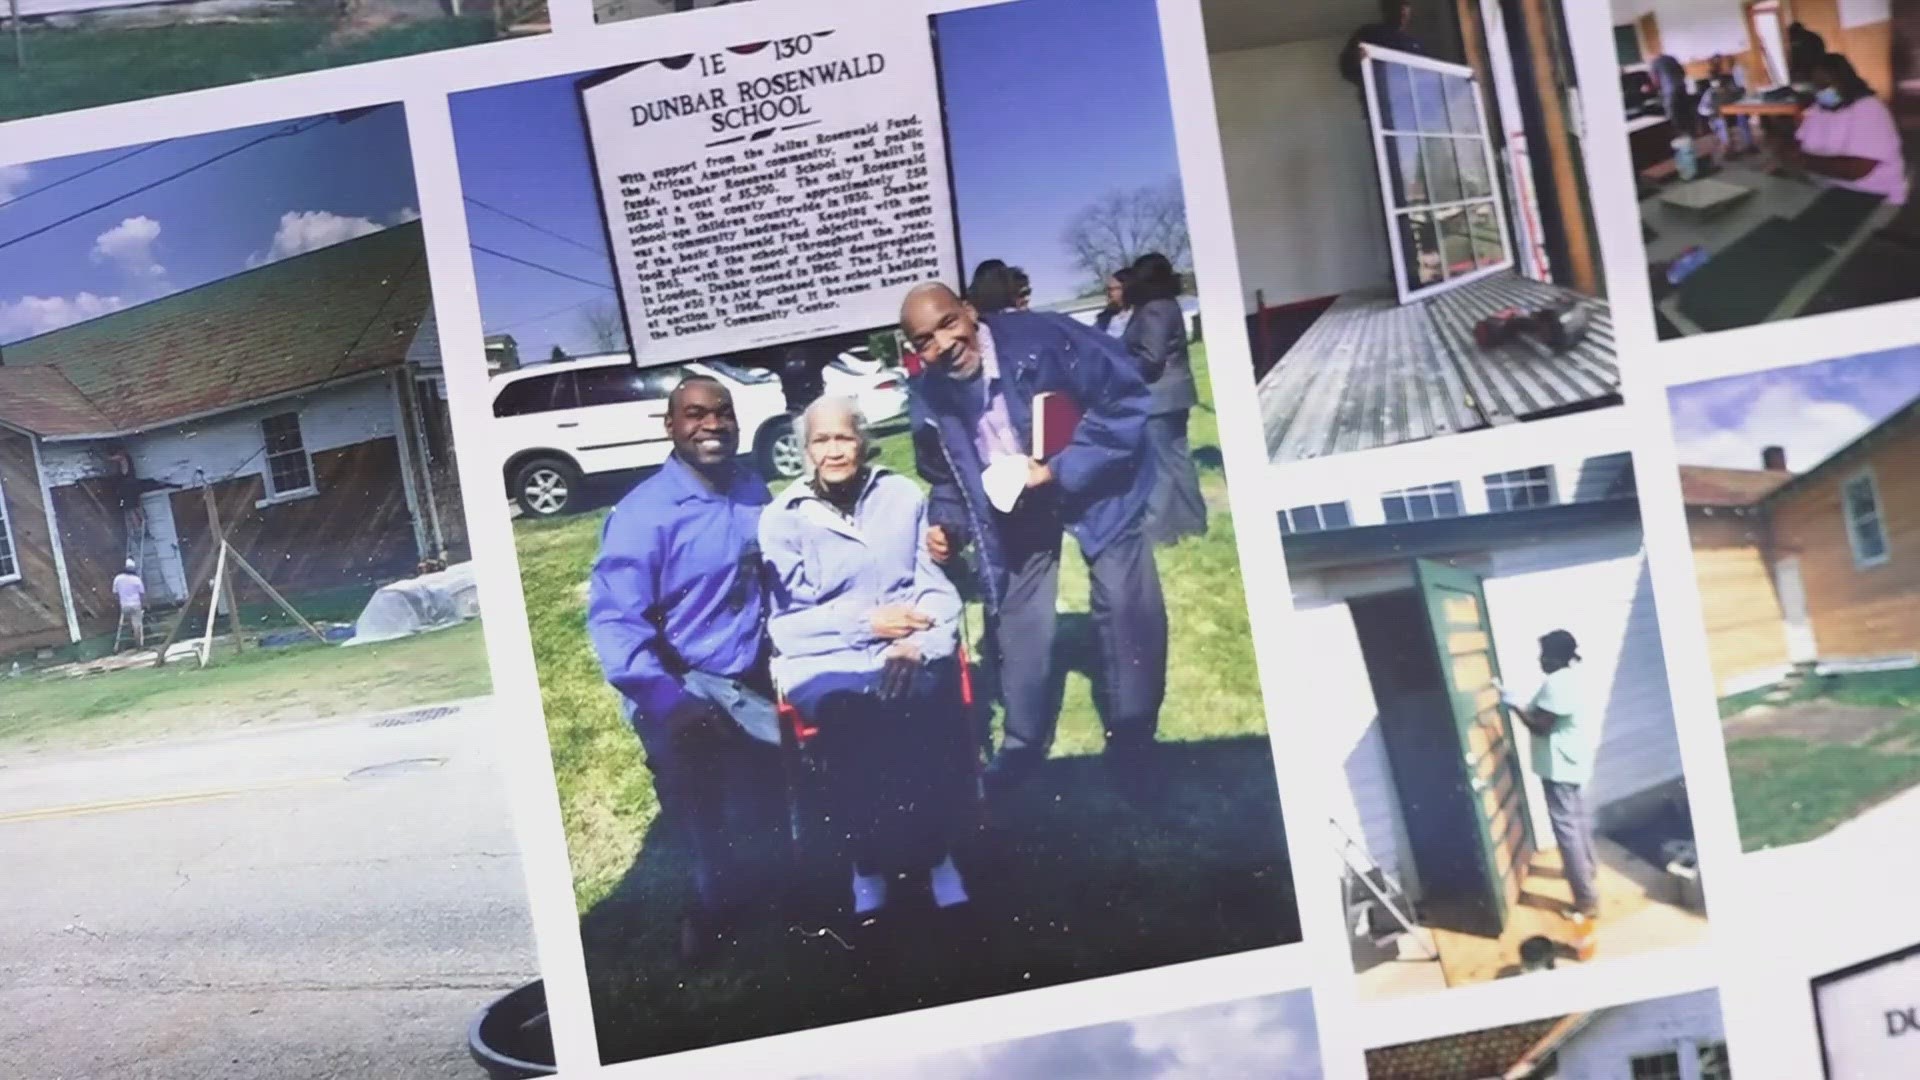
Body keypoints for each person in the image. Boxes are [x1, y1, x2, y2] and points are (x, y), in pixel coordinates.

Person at [898, 282, 1168, 796]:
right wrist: (947, 524)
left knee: (1126, 604)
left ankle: (1134, 742)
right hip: (1017, 503)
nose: (942, 344)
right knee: (1018, 616)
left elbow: (1126, 399)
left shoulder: (1042, 336)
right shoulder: (928, 395)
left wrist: (1059, 468)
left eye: (948, 324)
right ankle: (1022, 745)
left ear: (970, 312)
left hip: (1099, 482)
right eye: (924, 341)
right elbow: (944, 477)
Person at [586, 373, 781, 962]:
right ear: (670, 427)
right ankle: (711, 908)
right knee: (700, 797)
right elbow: (617, 625)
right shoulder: (646, 512)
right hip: (678, 680)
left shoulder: (752, 488)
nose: (712, 424)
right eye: (695, 415)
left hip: (749, 675)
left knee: (776, 794)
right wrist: (670, 704)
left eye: (722, 413)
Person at [760, 396, 973, 922]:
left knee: (919, 711)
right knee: (850, 724)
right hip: (825, 658)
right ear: (805, 449)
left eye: (844, 438)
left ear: (863, 440)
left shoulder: (901, 495)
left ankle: (936, 856)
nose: (834, 451)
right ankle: (868, 864)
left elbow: (936, 592)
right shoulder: (782, 519)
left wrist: (918, 646)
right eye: (821, 440)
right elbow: (785, 627)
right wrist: (866, 623)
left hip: (901, 649)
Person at [1498, 630, 1601, 925]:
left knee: (1566, 831)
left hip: (1558, 767)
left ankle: (1586, 900)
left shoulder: (1556, 684)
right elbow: (1547, 713)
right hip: (1573, 762)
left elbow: (1540, 726)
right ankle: (1589, 871)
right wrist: (1522, 703)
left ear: (1555, 657)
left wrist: (1514, 705)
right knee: (1577, 822)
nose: (1539, 660)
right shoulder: (1571, 678)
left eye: (1543, 654)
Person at [1121, 253, 1207, 546]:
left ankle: (1160, 532)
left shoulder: (1152, 309)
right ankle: (1193, 523)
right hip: (1175, 395)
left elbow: (1151, 358)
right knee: (1178, 461)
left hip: (1158, 398)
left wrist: (1120, 369)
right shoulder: (1168, 305)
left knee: (1158, 466)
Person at [1772, 53, 1909, 206]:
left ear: (1845, 81)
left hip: (1873, 197)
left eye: (1825, 85)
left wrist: (1802, 160)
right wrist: (1786, 149)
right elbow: (1799, 143)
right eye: (1815, 86)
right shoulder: (1818, 110)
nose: (1820, 91)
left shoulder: (1869, 108)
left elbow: (1857, 170)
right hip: (1828, 191)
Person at [1340, 0, 1425, 87]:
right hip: (1380, 96)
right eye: (1397, 4)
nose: (1402, 9)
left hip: (1410, 96)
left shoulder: (1415, 44)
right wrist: (1355, 58)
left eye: (1405, 4)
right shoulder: (1368, 32)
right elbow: (1346, 67)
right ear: (1385, 9)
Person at [1649, 53, 1693, 136]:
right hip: (1682, 88)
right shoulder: (1672, 58)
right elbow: (1683, 72)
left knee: (1672, 115)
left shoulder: (1654, 63)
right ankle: (1691, 133)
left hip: (1670, 91)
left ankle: (1678, 136)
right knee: (1685, 111)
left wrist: (1651, 89)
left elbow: (1656, 81)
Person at [112, 559, 146, 650]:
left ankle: (118, 646)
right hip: (135, 604)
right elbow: (142, 593)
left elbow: (115, 593)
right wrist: (142, 605)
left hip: (124, 605)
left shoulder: (118, 579)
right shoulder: (136, 579)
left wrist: (120, 601)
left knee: (127, 622)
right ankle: (139, 645)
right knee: (137, 625)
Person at [1092, 268, 1132, 338]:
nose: (1108, 293)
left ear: (1126, 288)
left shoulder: (1141, 316)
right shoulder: (1105, 317)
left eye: (1111, 289)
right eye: (1107, 289)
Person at [1787, 21, 1827, 86]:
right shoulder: (1814, 36)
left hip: (1799, 74)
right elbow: (1822, 53)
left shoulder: (1790, 38)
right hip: (1815, 72)